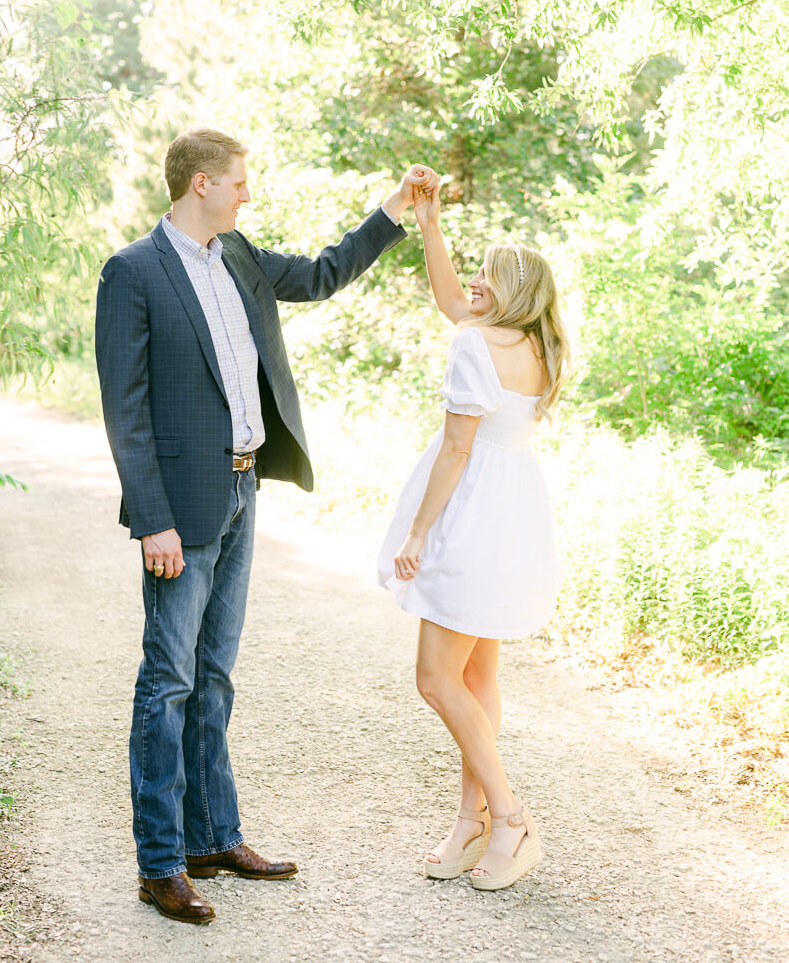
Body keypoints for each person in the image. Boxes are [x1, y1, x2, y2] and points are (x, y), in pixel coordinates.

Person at [95, 126, 437, 925]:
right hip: (181, 510)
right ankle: (159, 863)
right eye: (239, 183)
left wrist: (393, 209)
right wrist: (153, 521)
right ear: (201, 184)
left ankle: (214, 837)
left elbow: (321, 274)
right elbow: (127, 412)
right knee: (168, 680)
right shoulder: (134, 273)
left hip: (246, 491)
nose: (248, 194)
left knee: (214, 676)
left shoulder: (238, 255)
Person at [377, 180, 570, 892]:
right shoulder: (537, 343)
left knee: (434, 678)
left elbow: (457, 452)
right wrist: (430, 227)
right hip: (516, 514)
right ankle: (471, 820)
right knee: (477, 675)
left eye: (488, 272)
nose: (475, 282)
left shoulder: (473, 345)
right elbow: (453, 302)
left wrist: (419, 533)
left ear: (511, 290)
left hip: (470, 514)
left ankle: (511, 816)